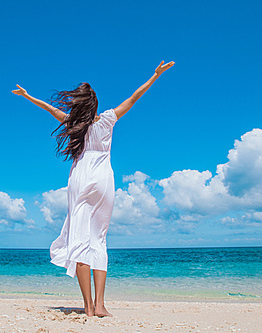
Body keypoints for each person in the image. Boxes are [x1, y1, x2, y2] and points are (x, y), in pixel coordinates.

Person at [12, 60, 175, 317]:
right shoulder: (108, 118)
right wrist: (155, 75)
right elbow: (134, 97)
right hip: (103, 180)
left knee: (79, 240)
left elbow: (49, 108)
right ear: (95, 105)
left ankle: (87, 307)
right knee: (99, 239)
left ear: (79, 104)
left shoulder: (73, 123)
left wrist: (27, 95)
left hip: (80, 179)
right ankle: (100, 306)